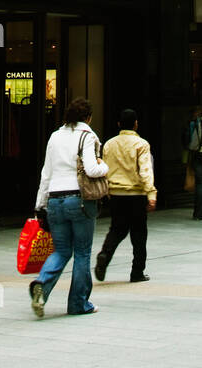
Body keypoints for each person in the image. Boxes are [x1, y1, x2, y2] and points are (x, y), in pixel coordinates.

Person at [30, 97, 108, 318]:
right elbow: (92, 170)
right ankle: (78, 303)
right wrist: (106, 167)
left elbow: (46, 174)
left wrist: (40, 204)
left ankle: (42, 285)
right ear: (88, 117)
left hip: (54, 199)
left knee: (62, 250)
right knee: (82, 252)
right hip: (80, 200)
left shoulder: (54, 137)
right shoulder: (88, 136)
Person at [94, 109, 157, 281]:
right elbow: (145, 170)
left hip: (116, 194)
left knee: (116, 228)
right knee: (139, 234)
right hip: (136, 194)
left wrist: (106, 191)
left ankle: (105, 254)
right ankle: (137, 271)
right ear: (136, 124)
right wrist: (151, 193)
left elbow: (104, 169)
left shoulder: (109, 144)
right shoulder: (141, 144)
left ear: (119, 124)